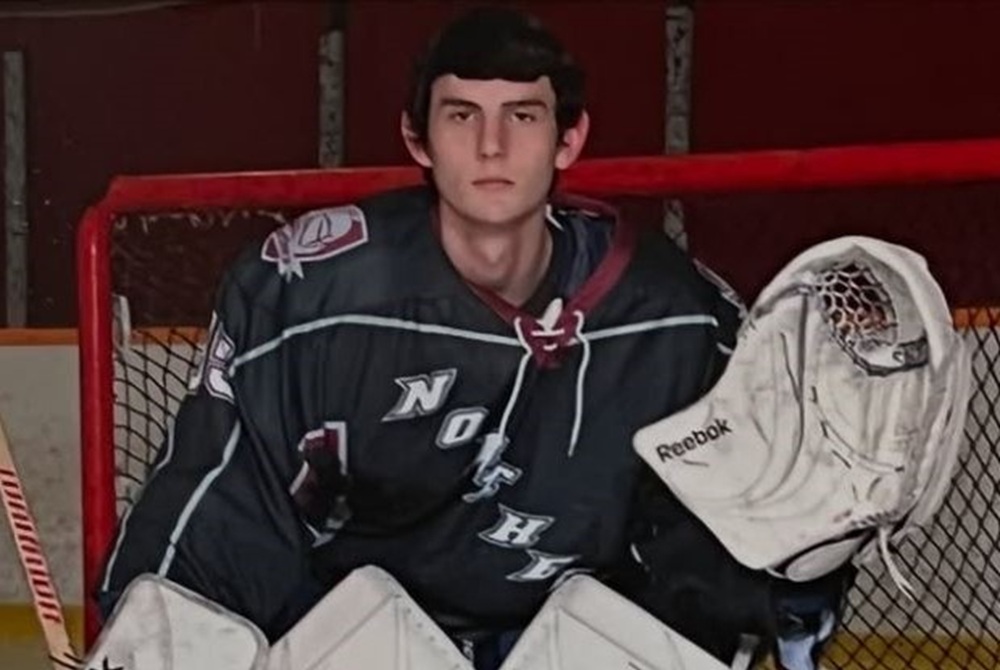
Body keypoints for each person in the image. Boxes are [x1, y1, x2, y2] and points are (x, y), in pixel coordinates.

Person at [95, 7, 850, 669]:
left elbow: (711, 561)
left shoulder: (677, 319)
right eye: (461, 115)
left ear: (569, 137)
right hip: (351, 638)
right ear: (416, 138)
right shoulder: (314, 298)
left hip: (576, 640)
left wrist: (808, 561)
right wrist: (148, 641)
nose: (492, 146)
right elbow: (223, 507)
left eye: (522, 115)